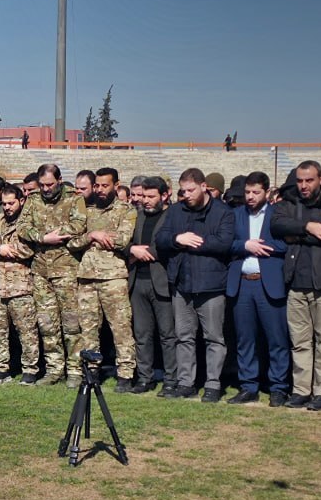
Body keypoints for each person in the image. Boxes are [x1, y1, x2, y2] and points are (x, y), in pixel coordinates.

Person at [271, 160, 321, 410]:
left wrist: (296, 235)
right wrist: (308, 226)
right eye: (300, 180)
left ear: (320, 180)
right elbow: (276, 225)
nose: (303, 185)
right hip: (296, 282)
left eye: (309, 180)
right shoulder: (290, 201)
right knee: (300, 341)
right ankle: (301, 390)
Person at [156, 168, 236, 401]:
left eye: (191, 190)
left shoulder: (223, 212)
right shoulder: (176, 211)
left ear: (204, 187)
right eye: (183, 191)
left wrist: (193, 242)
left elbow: (224, 243)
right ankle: (185, 383)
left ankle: (213, 384)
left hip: (211, 285)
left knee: (214, 338)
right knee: (184, 337)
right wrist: (177, 239)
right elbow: (161, 239)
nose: (187, 195)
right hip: (182, 284)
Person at [18, 164, 86, 386]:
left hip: (66, 269)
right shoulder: (33, 199)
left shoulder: (74, 198)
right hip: (41, 270)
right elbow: (22, 227)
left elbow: (79, 224)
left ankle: (75, 370)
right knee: (47, 324)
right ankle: (54, 369)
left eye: (50, 184)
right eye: (43, 185)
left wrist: (60, 234)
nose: (46, 189)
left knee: (72, 324)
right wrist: (43, 238)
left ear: (59, 180)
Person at [71, 168, 138, 391]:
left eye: (105, 185)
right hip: (87, 277)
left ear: (116, 186)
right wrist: (92, 235)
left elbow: (122, 240)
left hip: (113, 277)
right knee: (88, 329)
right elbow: (71, 240)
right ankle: (91, 372)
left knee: (121, 328)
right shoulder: (86, 210)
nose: (100, 190)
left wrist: (94, 239)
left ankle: (126, 373)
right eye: (97, 185)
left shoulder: (126, 210)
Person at [226, 172, 289, 406]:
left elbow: (287, 242)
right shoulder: (235, 214)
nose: (250, 197)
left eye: (256, 192)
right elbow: (225, 242)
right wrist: (245, 245)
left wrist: (263, 247)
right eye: (247, 192)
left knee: (276, 339)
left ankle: (278, 387)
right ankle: (248, 386)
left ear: (267, 192)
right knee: (245, 339)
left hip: (269, 283)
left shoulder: (277, 214)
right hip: (242, 283)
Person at [0, 185, 39, 384]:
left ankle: (30, 369)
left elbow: (29, 249)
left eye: (11, 203)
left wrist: (8, 249)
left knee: (26, 331)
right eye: (4, 203)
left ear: (21, 201)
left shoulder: (28, 221)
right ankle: (0, 368)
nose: (7, 207)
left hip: (20, 285)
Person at [128, 176, 177, 395]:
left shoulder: (172, 216)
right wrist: (132, 250)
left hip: (162, 282)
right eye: (143, 196)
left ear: (164, 196)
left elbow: (171, 244)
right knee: (142, 334)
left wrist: (146, 252)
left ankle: (171, 379)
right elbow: (125, 241)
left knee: (167, 335)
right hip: (138, 281)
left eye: (150, 196)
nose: (145, 200)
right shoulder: (137, 216)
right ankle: (144, 378)